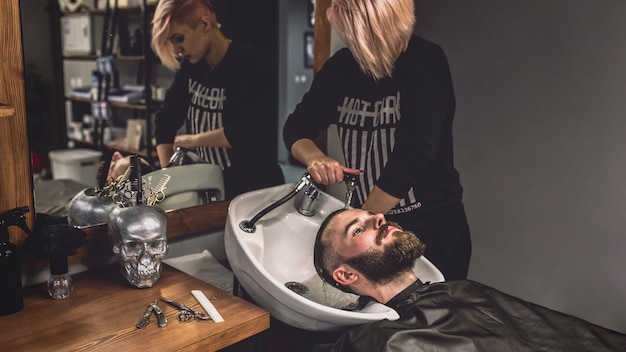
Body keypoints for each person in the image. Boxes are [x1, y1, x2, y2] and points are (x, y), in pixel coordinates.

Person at [283, 0, 470, 280]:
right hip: (375, 237)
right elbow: (296, 128)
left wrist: (358, 227)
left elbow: (413, 155)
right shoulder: (341, 69)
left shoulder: (426, 63)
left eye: (357, 36)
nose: (352, 45)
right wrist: (315, 157)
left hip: (432, 233)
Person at [310, 208, 626, 351]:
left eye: (370, 216)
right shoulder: (376, 341)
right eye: (359, 229)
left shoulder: (461, 290)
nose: (378, 218)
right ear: (347, 274)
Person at [151, 0, 284, 199]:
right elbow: (165, 122)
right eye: (172, 42)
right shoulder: (191, 67)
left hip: (254, 188)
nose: (177, 49)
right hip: (210, 186)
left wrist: (194, 141)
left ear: (205, 24)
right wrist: (168, 178)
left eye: (180, 38)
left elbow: (250, 129)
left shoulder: (248, 62)